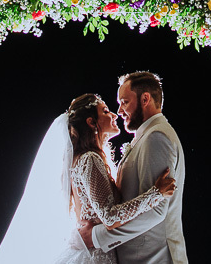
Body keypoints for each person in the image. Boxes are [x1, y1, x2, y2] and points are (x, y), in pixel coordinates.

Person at [0, 92, 176, 264]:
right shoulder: (89, 159)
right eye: (105, 111)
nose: (114, 115)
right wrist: (156, 193)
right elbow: (110, 217)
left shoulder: (84, 158)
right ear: (91, 122)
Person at [80, 71, 187, 263]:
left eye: (125, 102)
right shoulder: (147, 136)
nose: (120, 111)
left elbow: (155, 211)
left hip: (153, 258)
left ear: (145, 99)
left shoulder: (157, 138)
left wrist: (96, 237)